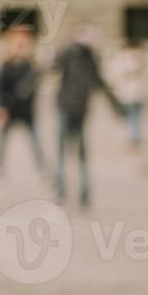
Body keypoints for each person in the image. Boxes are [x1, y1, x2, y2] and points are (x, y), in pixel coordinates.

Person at [51, 24, 124, 209]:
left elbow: (52, 66)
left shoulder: (75, 54)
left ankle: (69, 192)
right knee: (77, 154)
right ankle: (78, 193)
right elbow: (101, 83)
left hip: (69, 107)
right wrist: (116, 106)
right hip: (74, 108)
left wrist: (116, 106)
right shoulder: (86, 56)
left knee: (65, 152)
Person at [0, 26, 46, 180]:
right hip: (10, 110)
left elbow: (34, 83)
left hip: (26, 112)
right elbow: (0, 88)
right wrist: (1, 108)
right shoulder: (6, 65)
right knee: (2, 142)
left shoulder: (31, 66)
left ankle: (42, 170)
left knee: (35, 142)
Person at [112, 39, 148, 151]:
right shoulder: (140, 58)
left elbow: (118, 75)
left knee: (133, 117)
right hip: (135, 93)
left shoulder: (126, 59)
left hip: (131, 94)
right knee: (134, 117)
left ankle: (133, 138)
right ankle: (135, 137)